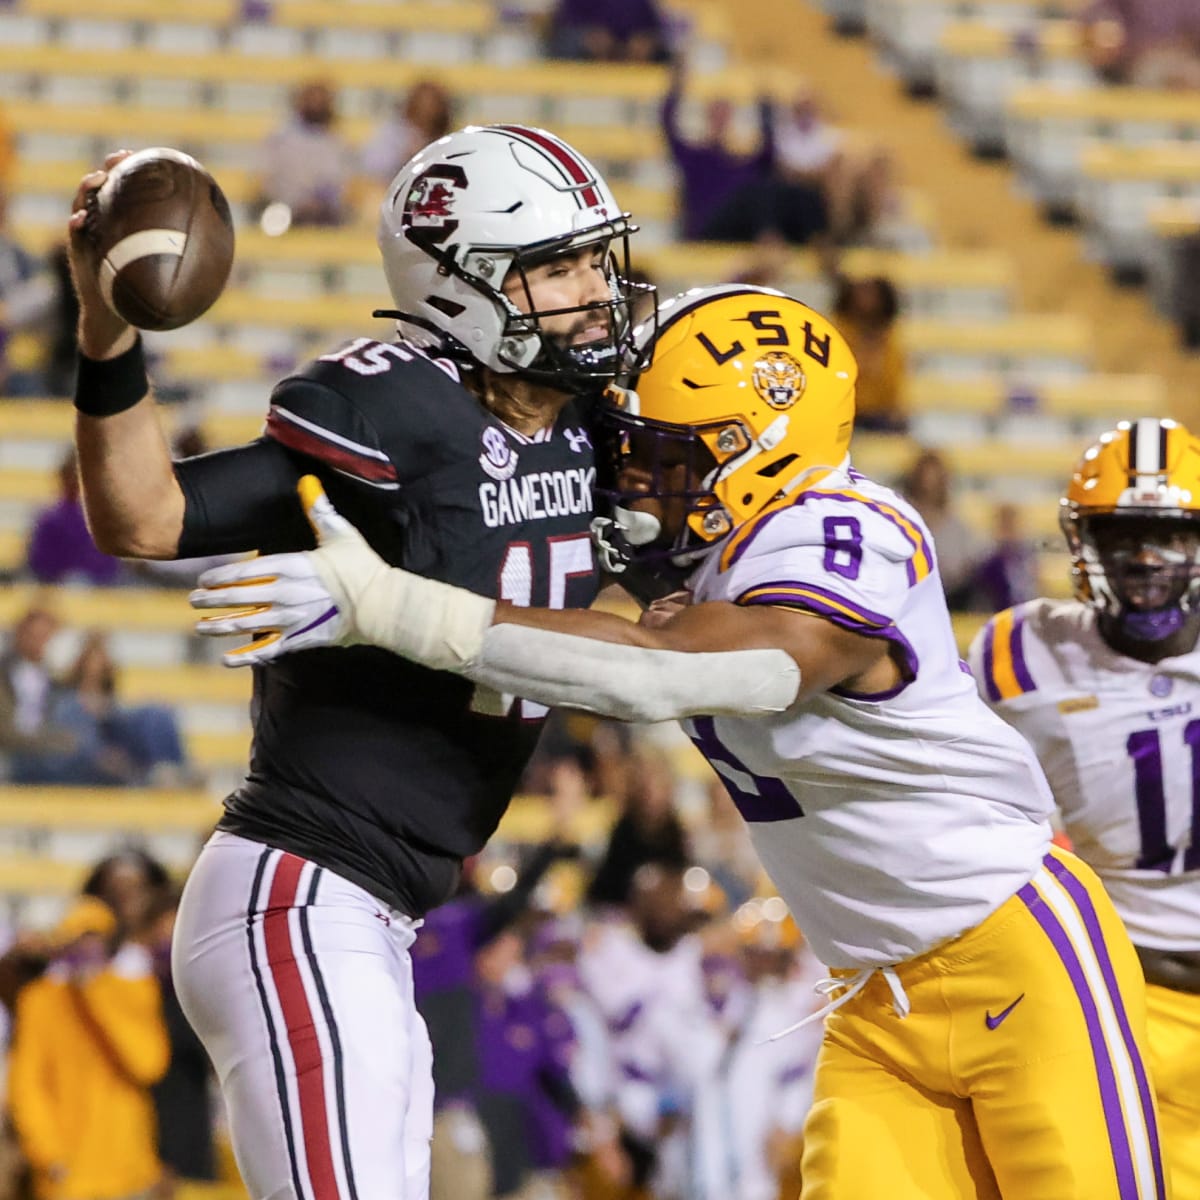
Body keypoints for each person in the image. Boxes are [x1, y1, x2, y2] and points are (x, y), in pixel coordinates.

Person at [195, 285, 1168, 1199]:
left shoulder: (847, 530)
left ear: (765, 448)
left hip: (1018, 954)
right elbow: (561, 623)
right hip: (875, 995)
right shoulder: (699, 551)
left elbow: (672, 670)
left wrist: (391, 606)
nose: (640, 477)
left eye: (673, 454)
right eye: (636, 449)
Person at [66, 124, 650, 1200]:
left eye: (590, 261)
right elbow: (147, 516)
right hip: (303, 893)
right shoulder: (395, 411)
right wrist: (106, 334)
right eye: (556, 268)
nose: (594, 293)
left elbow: (620, 634)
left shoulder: (590, 431)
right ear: (463, 284)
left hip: (385, 916)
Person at [969, 416, 1200, 1198]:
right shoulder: (1024, 655)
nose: (1143, 559)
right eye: (1121, 534)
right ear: (1082, 542)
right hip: (1117, 993)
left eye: (1164, 535)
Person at [361, 81, 454, 188]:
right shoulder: (392, 133)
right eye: (422, 103)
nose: (428, 110)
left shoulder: (448, 141)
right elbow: (372, 169)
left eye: (434, 105)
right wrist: (406, 157)